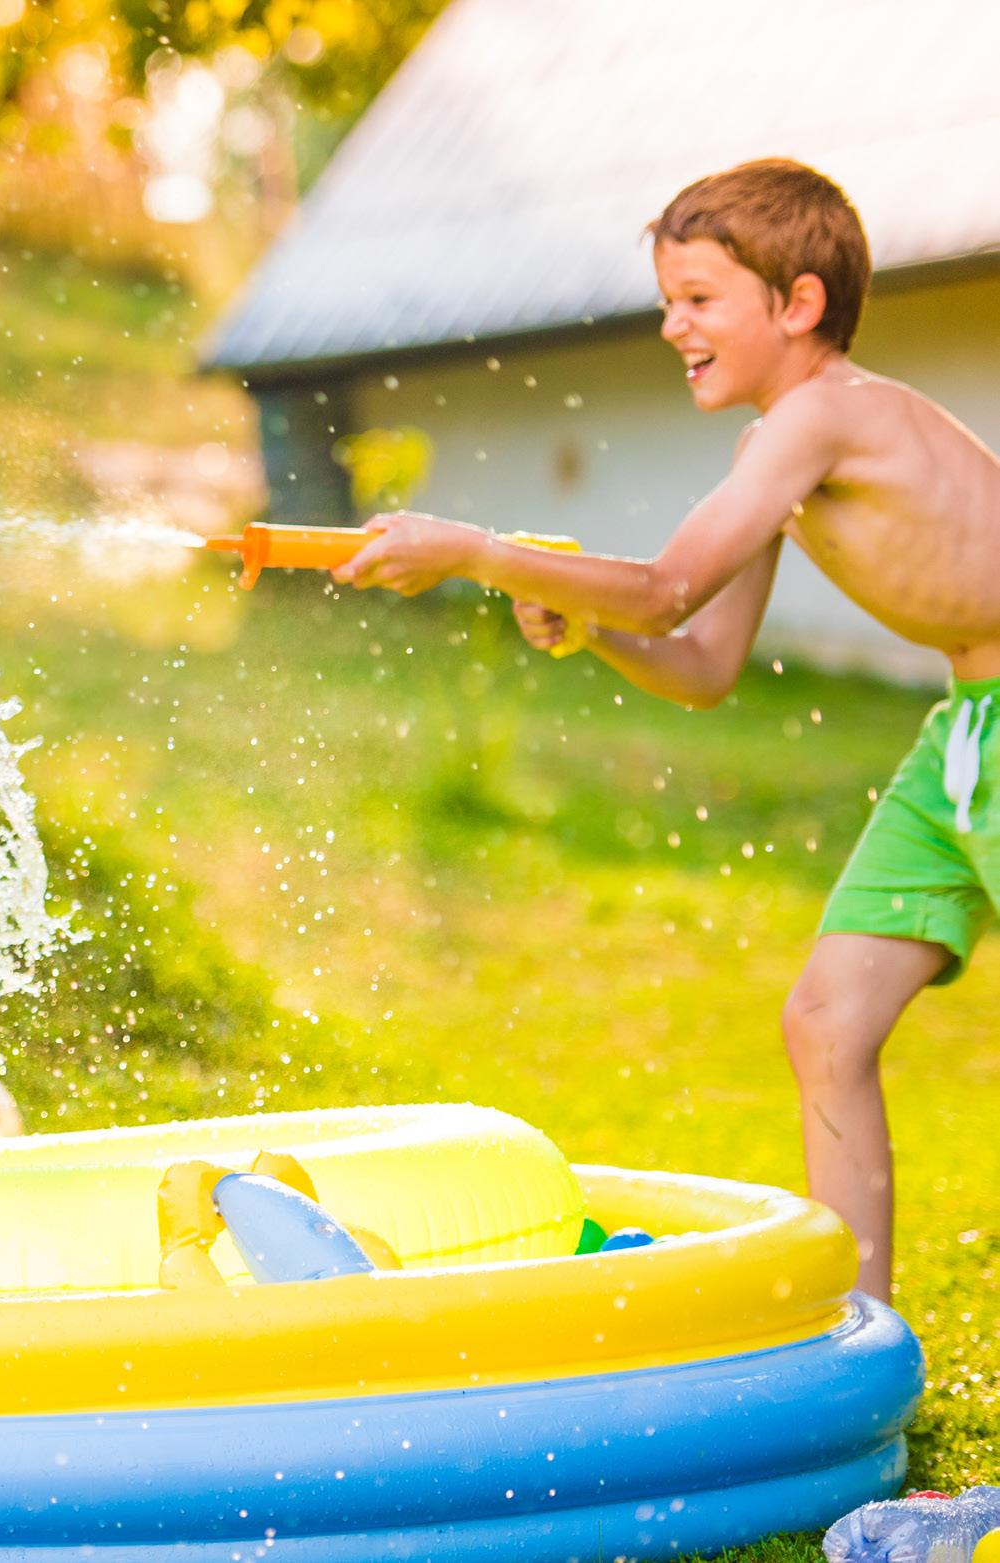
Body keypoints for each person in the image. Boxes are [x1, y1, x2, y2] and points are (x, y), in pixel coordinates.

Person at [334, 159, 1000, 1299]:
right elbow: (699, 664)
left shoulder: (825, 415)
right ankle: (863, 1345)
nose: (669, 324)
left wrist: (477, 551)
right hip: (966, 738)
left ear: (796, 306)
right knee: (827, 1021)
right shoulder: (776, 450)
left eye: (698, 299)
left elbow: (663, 589)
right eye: (666, 299)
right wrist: (584, 627)